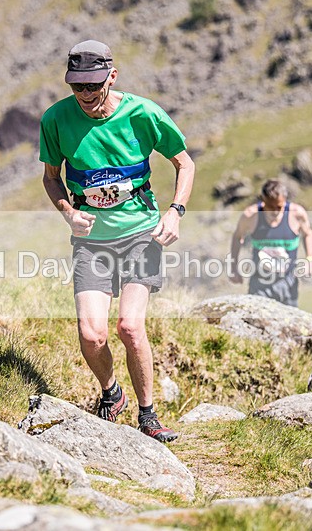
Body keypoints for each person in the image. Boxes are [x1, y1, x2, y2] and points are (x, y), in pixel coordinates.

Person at [39, 40, 195, 443]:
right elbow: (52, 176)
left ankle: (149, 414)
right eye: (78, 87)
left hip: (141, 232)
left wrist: (175, 211)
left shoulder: (142, 113)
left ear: (112, 76)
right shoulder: (55, 119)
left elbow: (184, 163)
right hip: (91, 242)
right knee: (92, 334)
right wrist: (69, 213)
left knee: (129, 325)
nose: (86, 95)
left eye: (93, 85)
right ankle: (112, 392)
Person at [228, 180, 312, 307]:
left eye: (279, 207)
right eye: (270, 207)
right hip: (259, 284)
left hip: (288, 283)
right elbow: (237, 237)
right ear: (263, 201)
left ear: (285, 200)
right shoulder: (251, 216)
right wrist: (233, 267)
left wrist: (310, 260)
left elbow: (308, 234)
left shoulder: (297, 214)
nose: (274, 211)